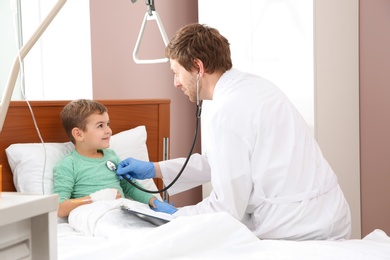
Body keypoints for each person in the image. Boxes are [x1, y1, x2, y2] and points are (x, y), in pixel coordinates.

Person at [116, 23, 351, 240]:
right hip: (327, 213)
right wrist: (154, 169)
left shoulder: (227, 111)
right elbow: (221, 162)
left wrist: (176, 216)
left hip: (296, 226)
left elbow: (228, 209)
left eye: (177, 73)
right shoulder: (249, 86)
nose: (176, 83)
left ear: (198, 67)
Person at [53, 99, 177, 218]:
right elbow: (59, 207)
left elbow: (129, 186)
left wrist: (154, 201)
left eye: (108, 124)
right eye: (100, 126)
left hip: (121, 211)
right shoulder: (68, 165)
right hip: (94, 215)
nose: (109, 131)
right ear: (79, 134)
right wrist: (96, 198)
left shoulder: (111, 156)